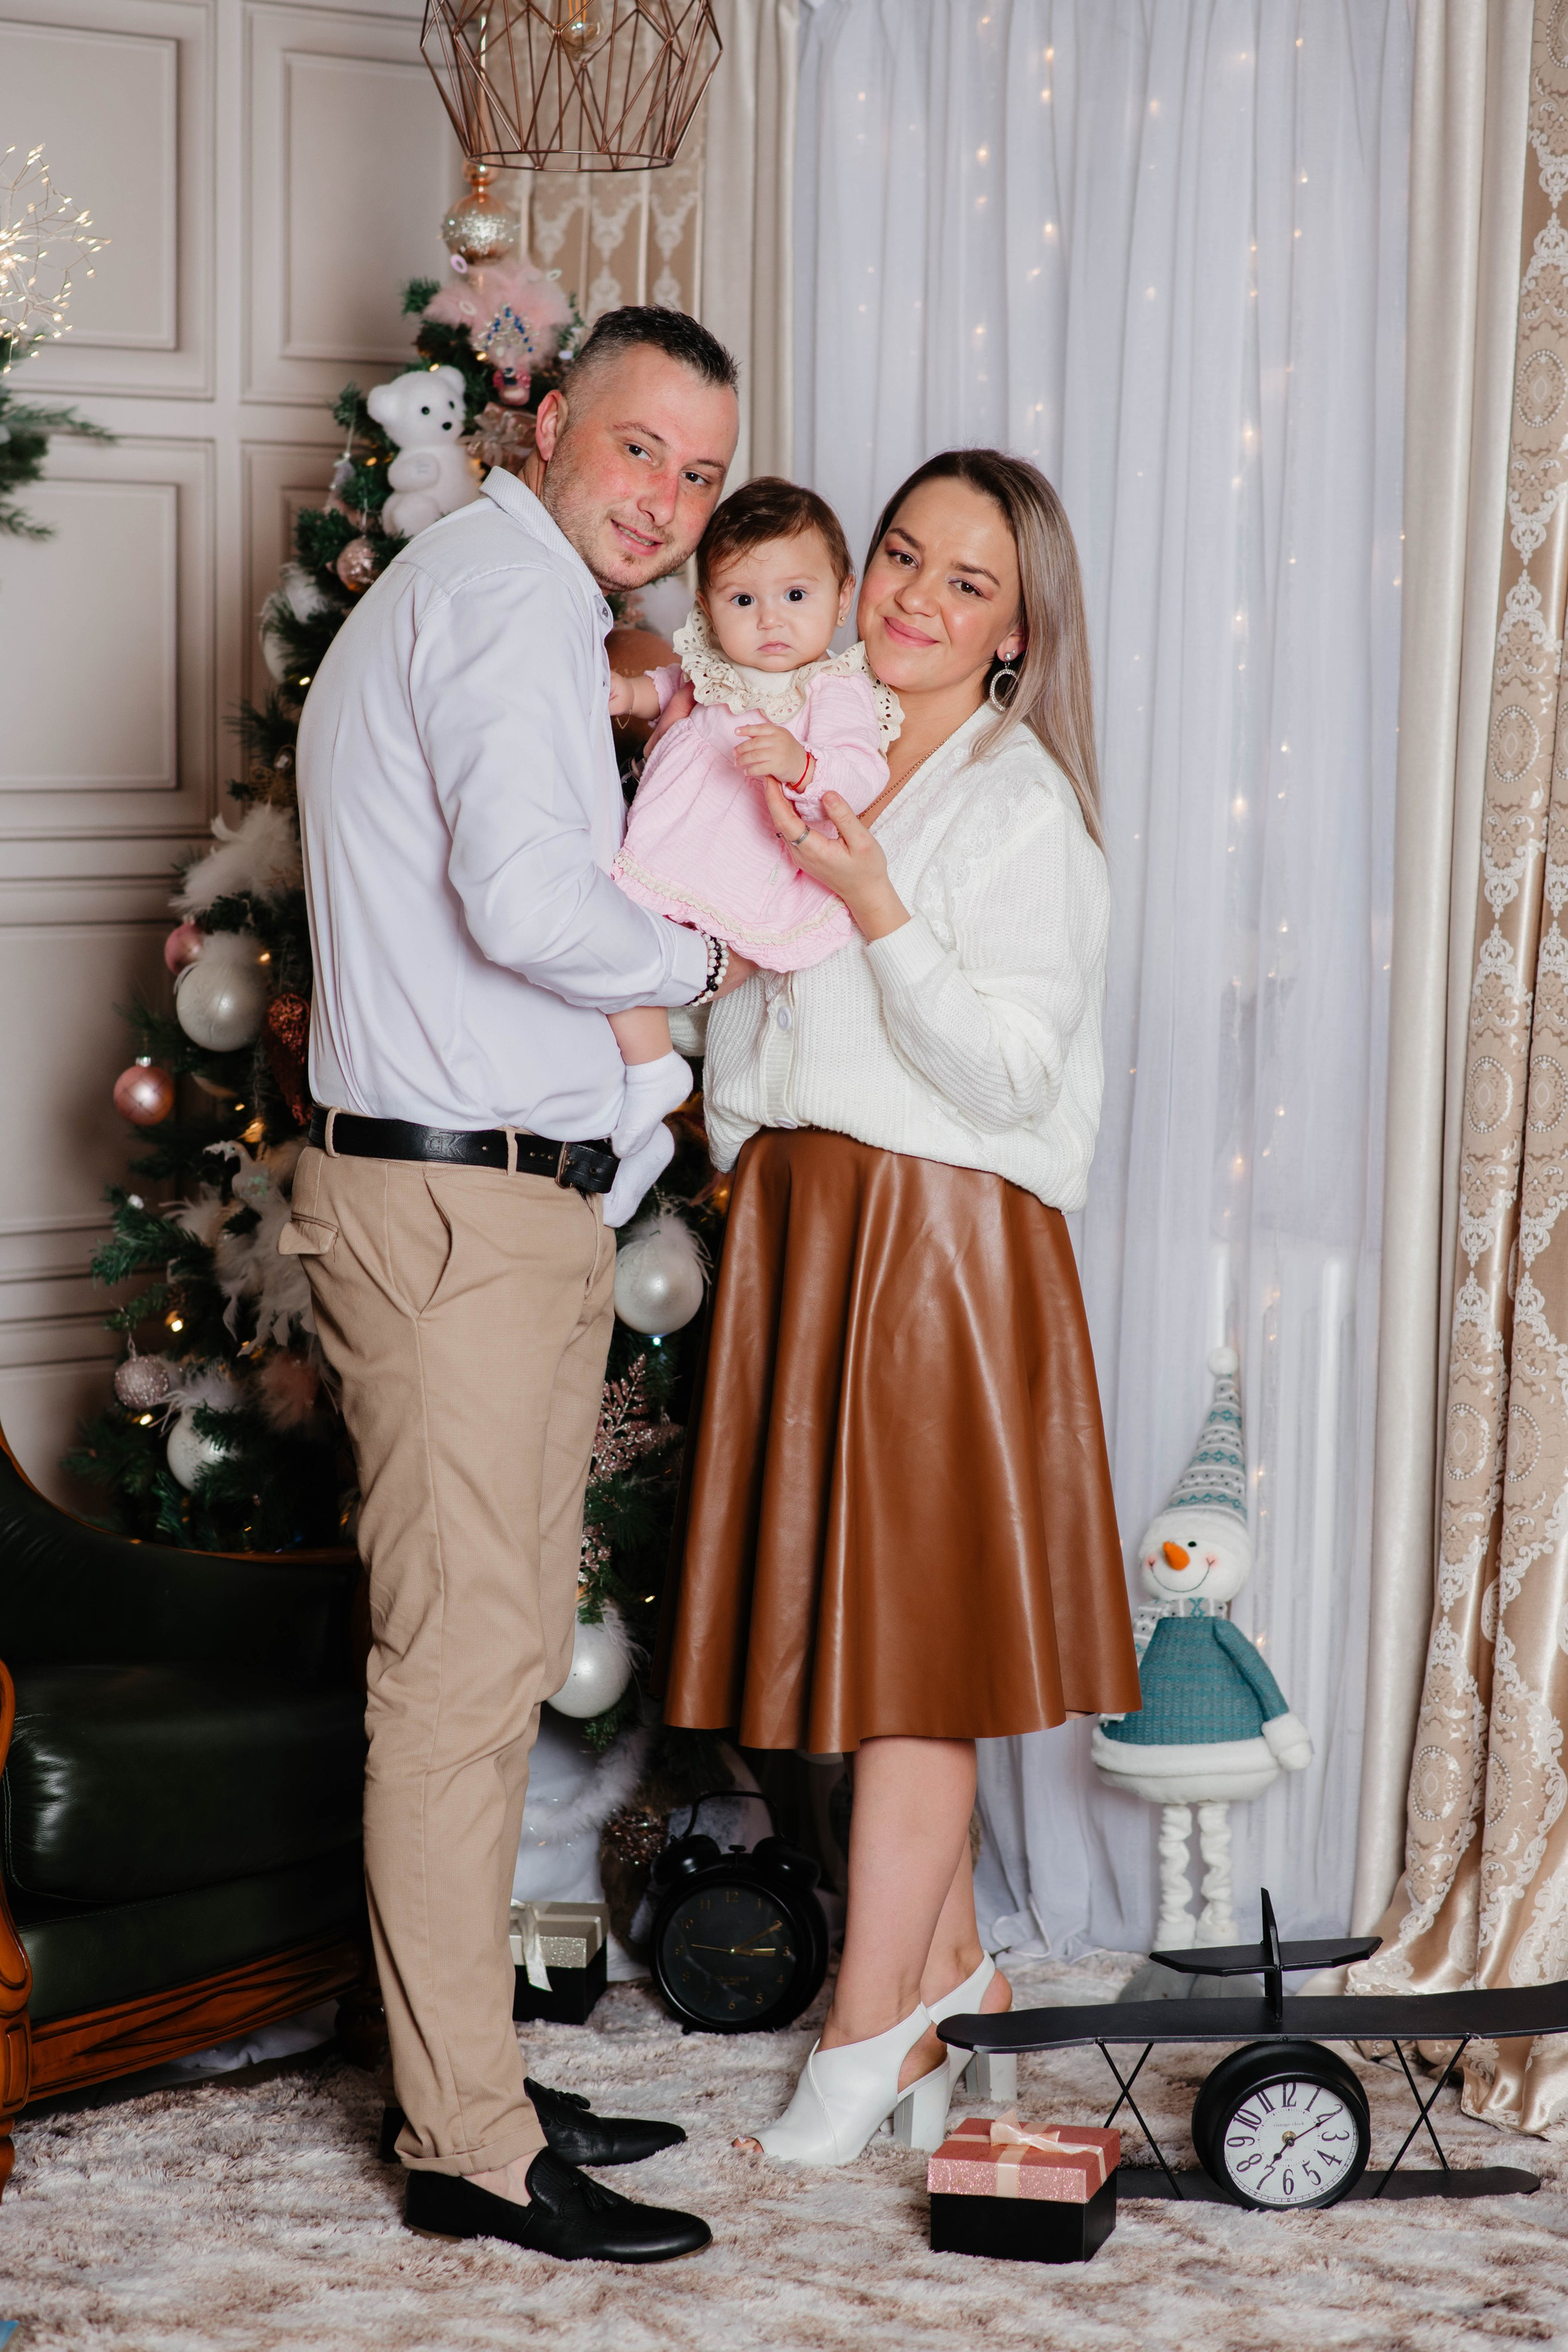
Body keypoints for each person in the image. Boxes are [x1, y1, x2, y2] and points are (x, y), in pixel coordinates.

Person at [286, 307, 755, 2259]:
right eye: (639, 447)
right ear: (548, 422)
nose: (666, 498)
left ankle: (458, 2062)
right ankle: (469, 2145)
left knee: (478, 1677)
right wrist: (713, 954)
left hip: (498, 1207)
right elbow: (527, 900)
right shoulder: (496, 597)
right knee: (461, 1682)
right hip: (455, 1219)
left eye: (701, 474)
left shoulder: (525, 601)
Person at [658, 448, 1142, 2163]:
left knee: (909, 1661)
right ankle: (954, 1984)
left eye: (967, 583)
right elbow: (731, 961)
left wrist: (877, 904)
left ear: (1017, 632)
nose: (916, 601)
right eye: (902, 558)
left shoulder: (1020, 809)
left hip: (937, 1241)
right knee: (860, 1643)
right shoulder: (805, 738)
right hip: (808, 1220)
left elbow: (1013, 1073)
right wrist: (734, 1129)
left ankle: (868, 2029)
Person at [599, 478, 900, 1199]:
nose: (770, 621)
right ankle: (645, 1090)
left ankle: (649, 1087)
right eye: (742, 600)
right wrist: (628, 695)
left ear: (842, 597)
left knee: (627, 964)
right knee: (612, 955)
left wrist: (802, 764)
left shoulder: (832, 689)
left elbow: (861, 770)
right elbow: (668, 687)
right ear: (707, 608)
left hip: (740, 862)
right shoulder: (710, 666)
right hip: (672, 847)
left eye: (795, 596)